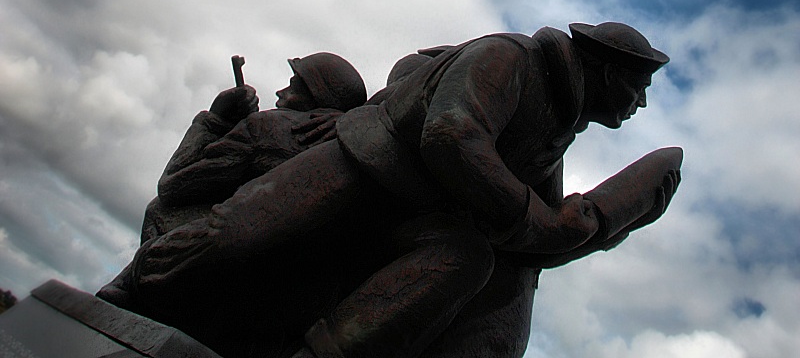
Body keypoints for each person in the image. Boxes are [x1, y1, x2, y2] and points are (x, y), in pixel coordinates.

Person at [103, 22, 680, 358]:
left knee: (468, 258)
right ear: (607, 70)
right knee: (234, 235)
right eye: (638, 85)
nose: (642, 103)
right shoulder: (510, 59)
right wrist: (535, 214)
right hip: (363, 164)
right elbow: (451, 136)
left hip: (421, 213)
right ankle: (125, 297)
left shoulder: (557, 125)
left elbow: (531, 240)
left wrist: (612, 220)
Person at [138, 52, 368, 243]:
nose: (280, 92)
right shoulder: (342, 145)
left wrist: (214, 120)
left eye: (292, 86)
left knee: (157, 210)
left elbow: (171, 186)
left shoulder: (264, 129)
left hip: (232, 251)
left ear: (313, 95)